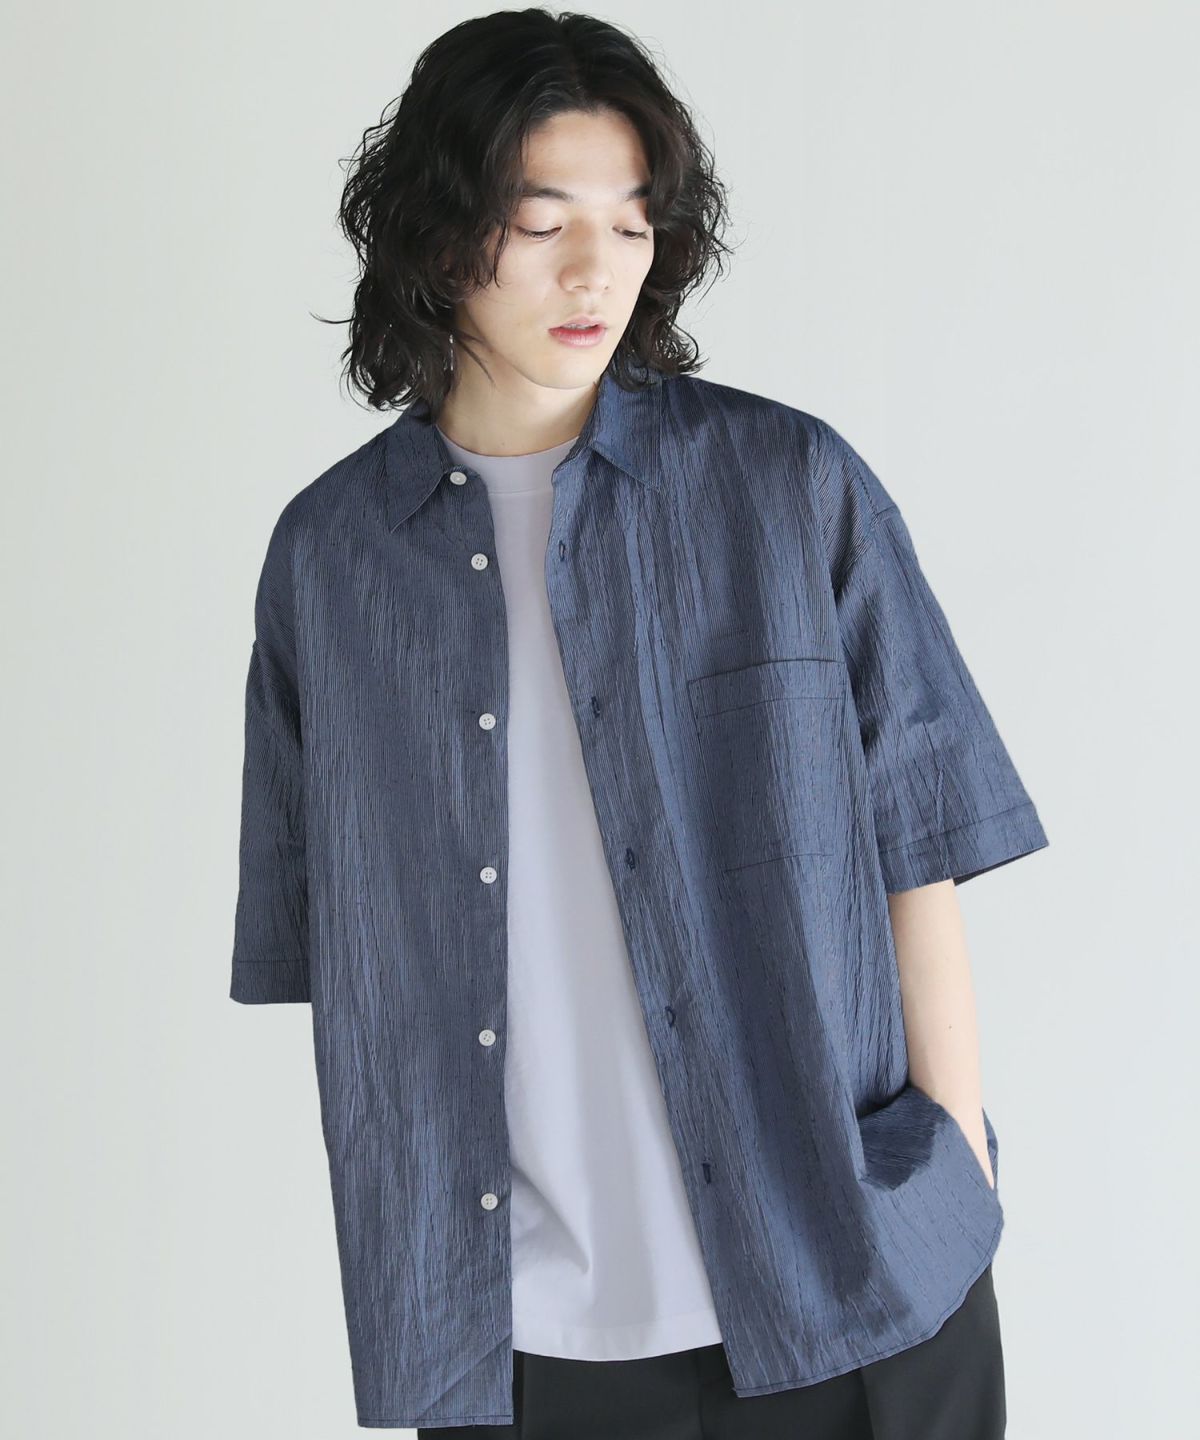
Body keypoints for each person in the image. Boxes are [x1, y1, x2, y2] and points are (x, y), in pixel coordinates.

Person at [229, 9, 1047, 1437]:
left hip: (851, 1275)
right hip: (517, 1342)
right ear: (436, 235)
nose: (594, 269)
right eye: (542, 221)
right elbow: (339, 955)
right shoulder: (333, 562)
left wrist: (954, 1161)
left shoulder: (788, 488)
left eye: (630, 221)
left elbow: (922, 841)